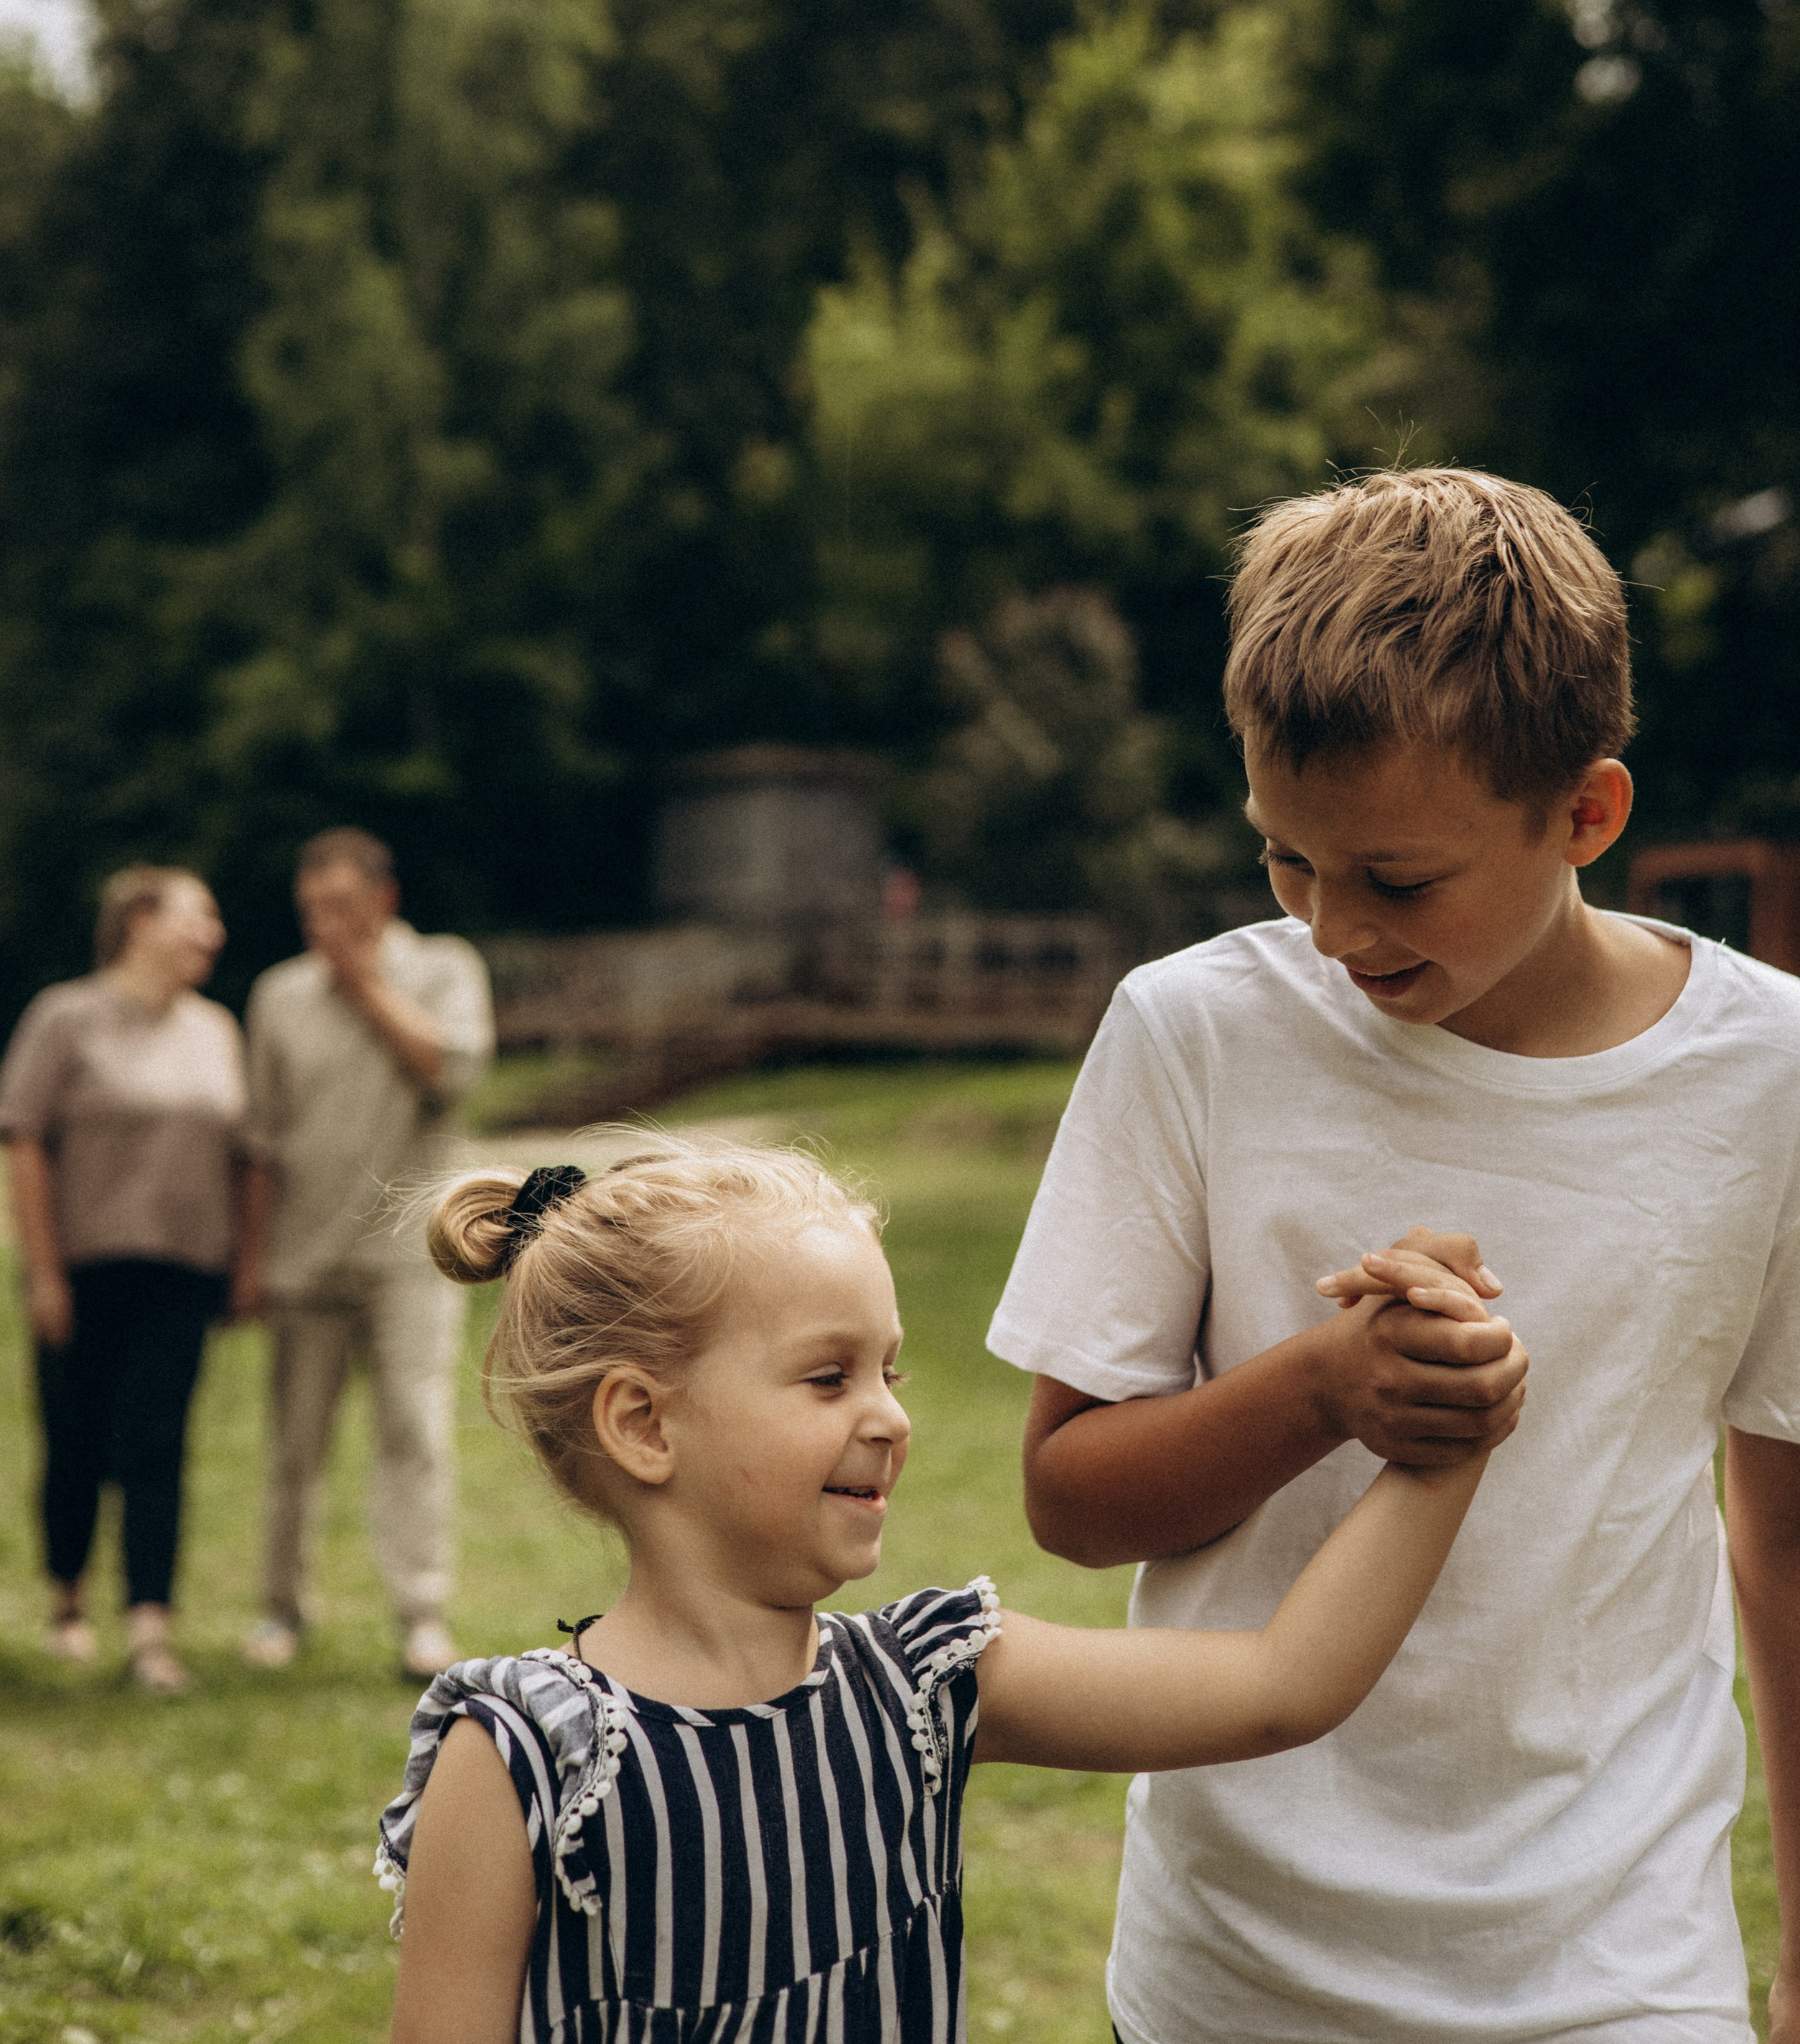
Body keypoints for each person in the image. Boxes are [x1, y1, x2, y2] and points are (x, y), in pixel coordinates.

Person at [988, 465, 1800, 2044]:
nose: (1330, 932)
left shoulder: (1766, 1077)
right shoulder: (1192, 1031)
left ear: (1586, 813)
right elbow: (1066, 1499)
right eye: (1284, 860)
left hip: (1614, 1969)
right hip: (1234, 1969)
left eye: (1395, 880)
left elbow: (1783, 1542)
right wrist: (1320, 1391)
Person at [373, 1144, 1503, 2044]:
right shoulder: (522, 1758)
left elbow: (1281, 1684)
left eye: (889, 1371)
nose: (890, 1417)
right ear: (643, 1424)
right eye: (829, 1377)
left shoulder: (927, 1685)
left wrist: (1445, 1427)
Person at [0, 864, 258, 1695]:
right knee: (73, 1443)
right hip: (84, 1267)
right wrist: (43, 1272)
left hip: (182, 1275)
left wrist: (245, 1261)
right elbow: (22, 1138)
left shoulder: (215, 1028)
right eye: (197, 916)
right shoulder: (66, 1017)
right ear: (141, 919)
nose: (212, 933)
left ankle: (150, 1632)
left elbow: (243, 1156)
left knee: (157, 1448)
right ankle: (68, 1603)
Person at [238, 827, 494, 1681]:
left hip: (410, 1255)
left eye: (342, 906)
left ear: (384, 901)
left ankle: (421, 1616)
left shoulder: (446, 969)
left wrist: (364, 985)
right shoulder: (278, 996)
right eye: (311, 909)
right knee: (294, 1447)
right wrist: (251, 1259)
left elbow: (448, 1073)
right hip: (303, 1256)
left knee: (414, 1430)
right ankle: (280, 1611)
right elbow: (262, 1140)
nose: (324, 925)